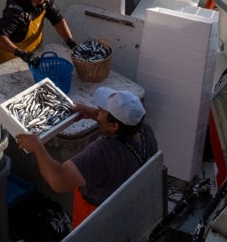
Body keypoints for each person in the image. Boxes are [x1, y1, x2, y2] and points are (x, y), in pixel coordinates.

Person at [15, 87, 158, 227]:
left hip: (98, 219)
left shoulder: (103, 151)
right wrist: (94, 114)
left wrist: (38, 147)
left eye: (102, 111)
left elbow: (58, 180)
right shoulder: (145, 131)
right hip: (128, 208)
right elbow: (117, 125)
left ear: (114, 126)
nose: (98, 110)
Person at [0, 0, 77, 65]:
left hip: (33, 52)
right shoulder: (15, 11)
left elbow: (57, 19)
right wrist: (21, 53)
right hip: (11, 57)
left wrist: (71, 42)